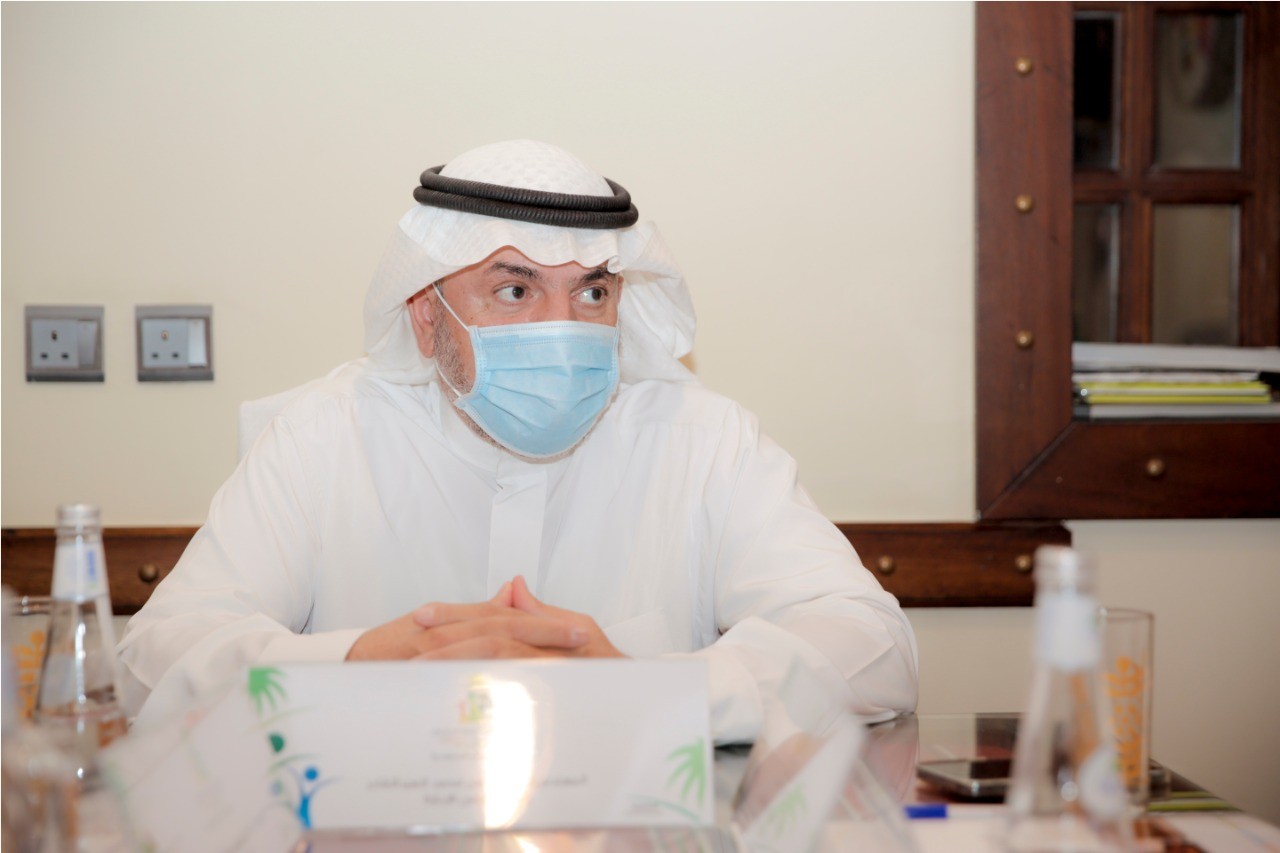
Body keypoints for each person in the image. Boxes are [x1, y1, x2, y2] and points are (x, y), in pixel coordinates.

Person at [117, 140, 918, 743]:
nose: (561, 328)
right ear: (426, 315)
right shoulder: (323, 441)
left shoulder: (706, 443)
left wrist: (651, 690)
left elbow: (873, 647)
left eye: (592, 292)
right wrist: (359, 664)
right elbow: (155, 660)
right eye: (514, 289)